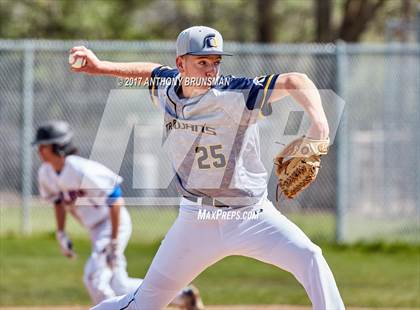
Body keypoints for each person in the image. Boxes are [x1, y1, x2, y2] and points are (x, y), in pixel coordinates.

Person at [70, 26, 345, 310]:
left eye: (215, 62)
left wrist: (320, 125)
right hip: (195, 221)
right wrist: (101, 67)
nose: (210, 69)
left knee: (310, 257)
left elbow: (295, 80)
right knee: (142, 304)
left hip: (252, 216)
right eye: (202, 62)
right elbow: (150, 72)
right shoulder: (168, 89)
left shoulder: (235, 93)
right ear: (180, 64)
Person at [34, 120, 204, 309]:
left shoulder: (78, 168)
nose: (39, 151)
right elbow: (58, 201)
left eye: (44, 146)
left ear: (59, 146)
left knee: (94, 278)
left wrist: (114, 240)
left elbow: (114, 197)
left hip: (112, 223)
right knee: (119, 284)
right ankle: (183, 296)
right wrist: (61, 233)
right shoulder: (46, 173)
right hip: (96, 229)